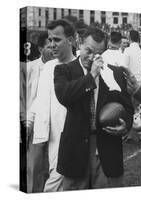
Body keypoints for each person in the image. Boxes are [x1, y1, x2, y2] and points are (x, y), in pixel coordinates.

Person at [54, 27, 133, 190]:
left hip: (107, 147)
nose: (91, 57)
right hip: (76, 149)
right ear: (80, 43)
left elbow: (127, 107)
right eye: (88, 51)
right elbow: (65, 96)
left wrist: (125, 125)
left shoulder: (115, 73)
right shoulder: (64, 70)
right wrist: (91, 77)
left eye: (97, 54)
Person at [28, 19, 76, 192]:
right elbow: (39, 100)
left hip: (70, 137)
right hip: (47, 137)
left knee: (54, 186)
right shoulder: (48, 67)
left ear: (71, 40)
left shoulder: (80, 66)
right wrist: (30, 122)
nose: (52, 44)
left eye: (57, 40)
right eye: (50, 40)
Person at [20, 31, 53, 193]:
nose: (53, 48)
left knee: (52, 170)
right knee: (35, 168)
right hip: (34, 125)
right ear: (40, 49)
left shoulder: (62, 67)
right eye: (49, 46)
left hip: (55, 125)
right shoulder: (30, 68)